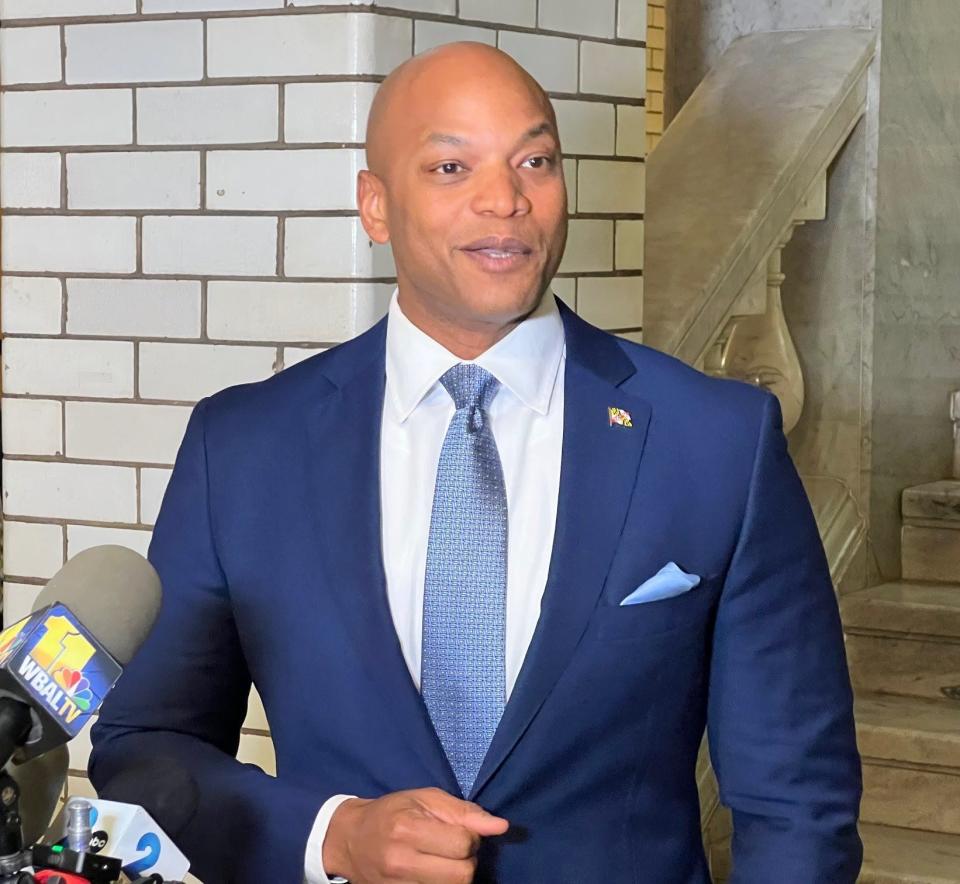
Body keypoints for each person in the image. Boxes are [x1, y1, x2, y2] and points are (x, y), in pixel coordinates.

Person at [89, 42, 862, 884]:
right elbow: (145, 747)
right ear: (375, 207)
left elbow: (798, 803)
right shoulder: (242, 447)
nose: (505, 200)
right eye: (452, 167)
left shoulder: (717, 440)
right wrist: (331, 836)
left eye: (535, 161)